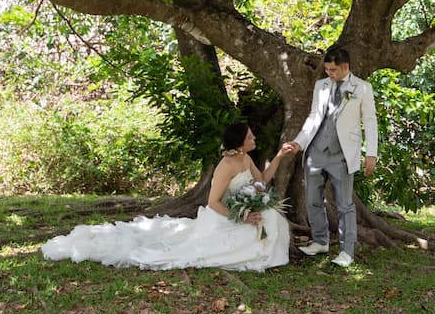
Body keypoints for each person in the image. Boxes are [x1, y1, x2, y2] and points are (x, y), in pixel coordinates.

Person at [41, 122, 295, 271]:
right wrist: (241, 216)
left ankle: (263, 248)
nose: (254, 138)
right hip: (223, 216)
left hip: (241, 212)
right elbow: (213, 203)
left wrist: (281, 156)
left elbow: (261, 180)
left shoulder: (245, 157)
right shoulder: (226, 166)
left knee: (270, 217)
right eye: (250, 136)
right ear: (240, 142)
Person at [283, 45, 377, 267]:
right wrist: (299, 142)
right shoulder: (321, 86)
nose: (329, 73)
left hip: (342, 154)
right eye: (327, 69)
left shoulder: (362, 88)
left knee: (344, 204)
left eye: (333, 70)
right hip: (316, 151)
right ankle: (320, 240)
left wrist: (371, 154)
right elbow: (314, 116)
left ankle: (347, 250)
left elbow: (370, 122)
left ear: (345, 67)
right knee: (313, 200)